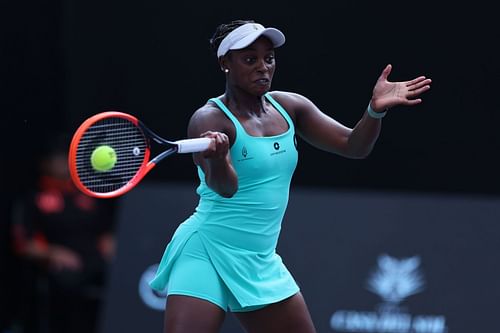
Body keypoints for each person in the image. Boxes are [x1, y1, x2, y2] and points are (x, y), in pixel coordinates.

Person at [149, 19, 431, 333]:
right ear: (224, 63)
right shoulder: (209, 119)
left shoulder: (290, 107)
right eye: (250, 59)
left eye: (268, 58)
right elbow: (224, 188)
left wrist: (375, 110)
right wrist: (217, 160)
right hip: (206, 250)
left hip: (259, 260)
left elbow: (354, 146)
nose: (263, 67)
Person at [11, 135, 117, 333]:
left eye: (65, 157)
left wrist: (109, 242)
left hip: (95, 260)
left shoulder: (87, 192)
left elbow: (107, 229)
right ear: (46, 163)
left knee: (119, 277)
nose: (63, 163)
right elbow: (24, 243)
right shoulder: (34, 198)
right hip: (61, 265)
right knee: (67, 285)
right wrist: (52, 253)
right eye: (58, 158)